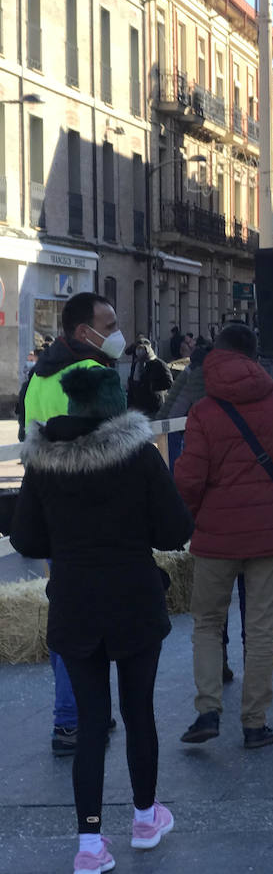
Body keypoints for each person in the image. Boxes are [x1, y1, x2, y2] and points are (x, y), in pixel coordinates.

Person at [10, 365, 193, 872]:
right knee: (139, 715)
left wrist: (69, 546)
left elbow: (25, 539)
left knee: (91, 724)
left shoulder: (44, 461)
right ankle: (144, 818)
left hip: (74, 600)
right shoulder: (138, 456)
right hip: (134, 597)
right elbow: (175, 529)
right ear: (114, 405)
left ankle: (89, 845)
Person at [175, 324, 273, 750]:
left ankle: (207, 710)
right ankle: (255, 723)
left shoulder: (203, 411)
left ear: (218, 355)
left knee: (207, 623)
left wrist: (204, 514)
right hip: (269, 536)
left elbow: (187, 479)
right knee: (259, 630)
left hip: (215, 536)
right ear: (256, 358)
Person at [17, 292, 124, 756]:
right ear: (85, 331)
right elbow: (120, 445)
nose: (118, 331)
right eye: (110, 322)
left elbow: (27, 437)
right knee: (103, 615)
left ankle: (71, 717)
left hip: (51, 506)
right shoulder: (99, 377)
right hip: (97, 511)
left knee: (65, 612)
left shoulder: (37, 376)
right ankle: (78, 715)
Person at [126, 337, 174, 417]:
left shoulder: (159, 364)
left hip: (152, 405)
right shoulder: (136, 364)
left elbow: (169, 382)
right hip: (137, 405)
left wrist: (153, 386)